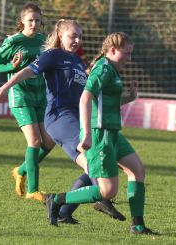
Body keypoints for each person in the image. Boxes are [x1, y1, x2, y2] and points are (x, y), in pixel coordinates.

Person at [0, 19, 125, 223]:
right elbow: (27, 71)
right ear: (60, 36)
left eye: (80, 36)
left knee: (97, 161)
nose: (78, 40)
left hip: (76, 120)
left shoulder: (78, 61)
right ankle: (101, 198)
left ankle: (64, 212)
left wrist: (128, 97)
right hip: (59, 117)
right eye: (73, 36)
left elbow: (89, 95)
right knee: (94, 164)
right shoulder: (52, 55)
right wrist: (5, 87)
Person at [46, 32, 157, 235]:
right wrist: (86, 134)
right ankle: (56, 199)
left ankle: (138, 226)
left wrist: (129, 98)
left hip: (113, 132)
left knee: (137, 171)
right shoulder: (104, 69)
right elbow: (85, 99)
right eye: (127, 53)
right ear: (113, 50)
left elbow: (104, 102)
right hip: (100, 133)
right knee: (107, 191)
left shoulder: (112, 70)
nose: (129, 59)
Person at [0, 3, 55, 202]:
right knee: (34, 141)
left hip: (40, 95)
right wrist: (12, 65)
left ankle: (20, 170)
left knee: (49, 142)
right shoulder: (13, 41)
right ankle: (33, 190)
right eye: (30, 20)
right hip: (20, 96)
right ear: (22, 22)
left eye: (37, 20)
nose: (34, 24)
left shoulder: (43, 41)